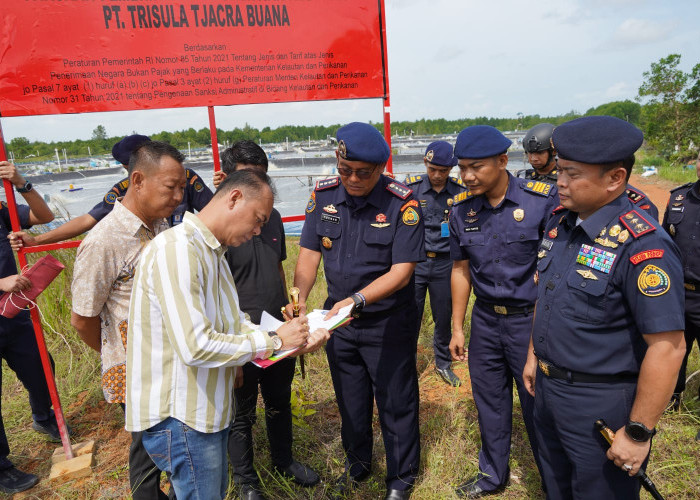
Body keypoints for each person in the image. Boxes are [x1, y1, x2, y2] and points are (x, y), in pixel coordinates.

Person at [125, 169, 329, 500]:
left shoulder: (212, 254)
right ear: (234, 198)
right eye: (258, 218)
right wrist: (276, 341)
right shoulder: (178, 251)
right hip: (183, 418)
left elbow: (235, 324)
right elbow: (197, 346)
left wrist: (292, 339)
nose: (259, 229)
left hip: (205, 412)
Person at [523, 116, 686, 499]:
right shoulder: (561, 225)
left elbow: (668, 346)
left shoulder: (643, 247)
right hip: (548, 392)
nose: (559, 181)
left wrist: (638, 431)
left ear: (614, 178)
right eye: (560, 170)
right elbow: (547, 297)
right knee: (556, 487)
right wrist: (534, 355)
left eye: (572, 173)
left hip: (599, 402)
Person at [293, 122, 424, 500]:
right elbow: (308, 253)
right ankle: (358, 465)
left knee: (396, 403)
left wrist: (357, 300)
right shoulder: (324, 196)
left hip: (386, 322)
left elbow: (402, 272)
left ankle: (401, 479)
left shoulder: (403, 204)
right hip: (339, 325)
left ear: (381, 168)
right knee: (350, 399)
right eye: (344, 170)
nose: (351, 179)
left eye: (362, 173)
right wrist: (300, 294)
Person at [70, 141, 187, 499]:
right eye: (171, 187)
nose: (179, 196)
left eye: (182, 187)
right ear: (138, 180)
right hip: (135, 369)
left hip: (170, 361)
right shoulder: (104, 242)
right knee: (147, 449)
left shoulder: (162, 224)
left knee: (164, 442)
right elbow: (82, 319)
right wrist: (119, 354)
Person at [448, 126, 555, 498]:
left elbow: (552, 274)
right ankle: (493, 475)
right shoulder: (462, 209)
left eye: (475, 167)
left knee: (538, 406)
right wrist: (457, 327)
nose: (468, 176)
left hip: (530, 320)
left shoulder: (542, 201)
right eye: (461, 169)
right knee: (489, 402)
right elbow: (461, 269)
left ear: (503, 161)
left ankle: (552, 482)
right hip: (486, 321)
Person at [216, 141, 320, 500]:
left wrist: (288, 306)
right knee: (241, 412)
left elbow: (276, 266)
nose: (259, 189)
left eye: (263, 178)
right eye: (248, 178)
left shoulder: (271, 216)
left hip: (277, 329)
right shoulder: (216, 227)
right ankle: (247, 482)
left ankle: (283, 461)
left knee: (279, 400)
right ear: (229, 182)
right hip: (240, 334)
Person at [8, 134, 213, 250]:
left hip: (186, 253)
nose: (176, 195)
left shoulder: (185, 177)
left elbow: (213, 213)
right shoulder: (123, 190)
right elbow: (88, 219)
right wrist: (37, 240)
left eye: (179, 188)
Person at [0, 161, 58, 493]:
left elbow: (45, 217)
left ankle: (43, 416)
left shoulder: (1, 209)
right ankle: (1, 467)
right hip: (4, 293)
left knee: (40, 366)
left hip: (12, 311)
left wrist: (21, 181)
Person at [404, 141, 466, 387]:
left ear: (451, 168)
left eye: (444, 170)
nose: (438, 175)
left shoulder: (460, 194)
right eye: (433, 169)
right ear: (425, 163)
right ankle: (406, 364)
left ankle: (442, 363)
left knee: (443, 316)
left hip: (445, 266)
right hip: (416, 265)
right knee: (410, 315)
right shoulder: (412, 191)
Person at [516, 122, 660, 220]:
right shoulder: (523, 178)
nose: (562, 183)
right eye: (560, 171)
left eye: (573, 174)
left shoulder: (636, 204)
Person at [662, 150, 700, 434]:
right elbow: (664, 241)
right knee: (674, 351)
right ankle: (670, 401)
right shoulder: (679, 199)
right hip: (677, 295)